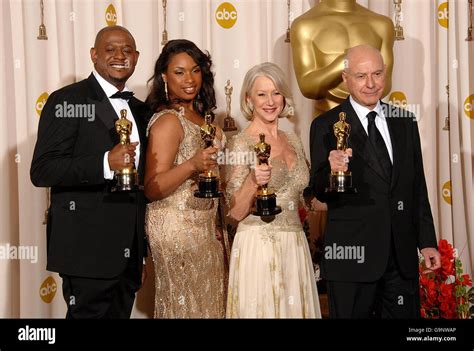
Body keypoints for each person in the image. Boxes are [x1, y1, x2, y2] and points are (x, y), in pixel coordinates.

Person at [309, 44, 441, 318]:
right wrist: (331, 170)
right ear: (345, 78)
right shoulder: (326, 124)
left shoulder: (405, 121)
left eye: (378, 74)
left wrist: (427, 241)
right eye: (361, 76)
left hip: (400, 260)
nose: (371, 84)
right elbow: (318, 191)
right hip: (351, 260)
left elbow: (417, 187)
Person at [30, 26, 150, 318]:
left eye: (127, 50)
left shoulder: (141, 109)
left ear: (136, 57)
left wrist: (141, 253)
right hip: (87, 253)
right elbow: (42, 170)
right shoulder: (68, 101)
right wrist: (105, 162)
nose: (120, 56)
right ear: (94, 55)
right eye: (110, 49)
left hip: (129, 255)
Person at [225, 62, 321, 318]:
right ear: (248, 99)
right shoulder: (240, 143)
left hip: (295, 246)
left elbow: (306, 200)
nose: (270, 101)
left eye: (276, 92)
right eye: (261, 94)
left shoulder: (293, 140)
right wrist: (253, 181)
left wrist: (336, 177)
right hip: (258, 246)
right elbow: (233, 212)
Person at [144, 39, 227, 318]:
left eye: (195, 70)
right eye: (179, 72)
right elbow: (153, 188)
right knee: (184, 307)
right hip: (174, 228)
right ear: (164, 77)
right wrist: (192, 164)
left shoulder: (202, 119)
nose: (189, 79)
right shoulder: (169, 121)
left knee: (206, 305)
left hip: (203, 228)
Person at [290, 0, 394, 116]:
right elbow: (308, 87)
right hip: (327, 121)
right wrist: (346, 61)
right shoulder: (304, 26)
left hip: (371, 120)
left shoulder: (382, 24)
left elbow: (386, 82)